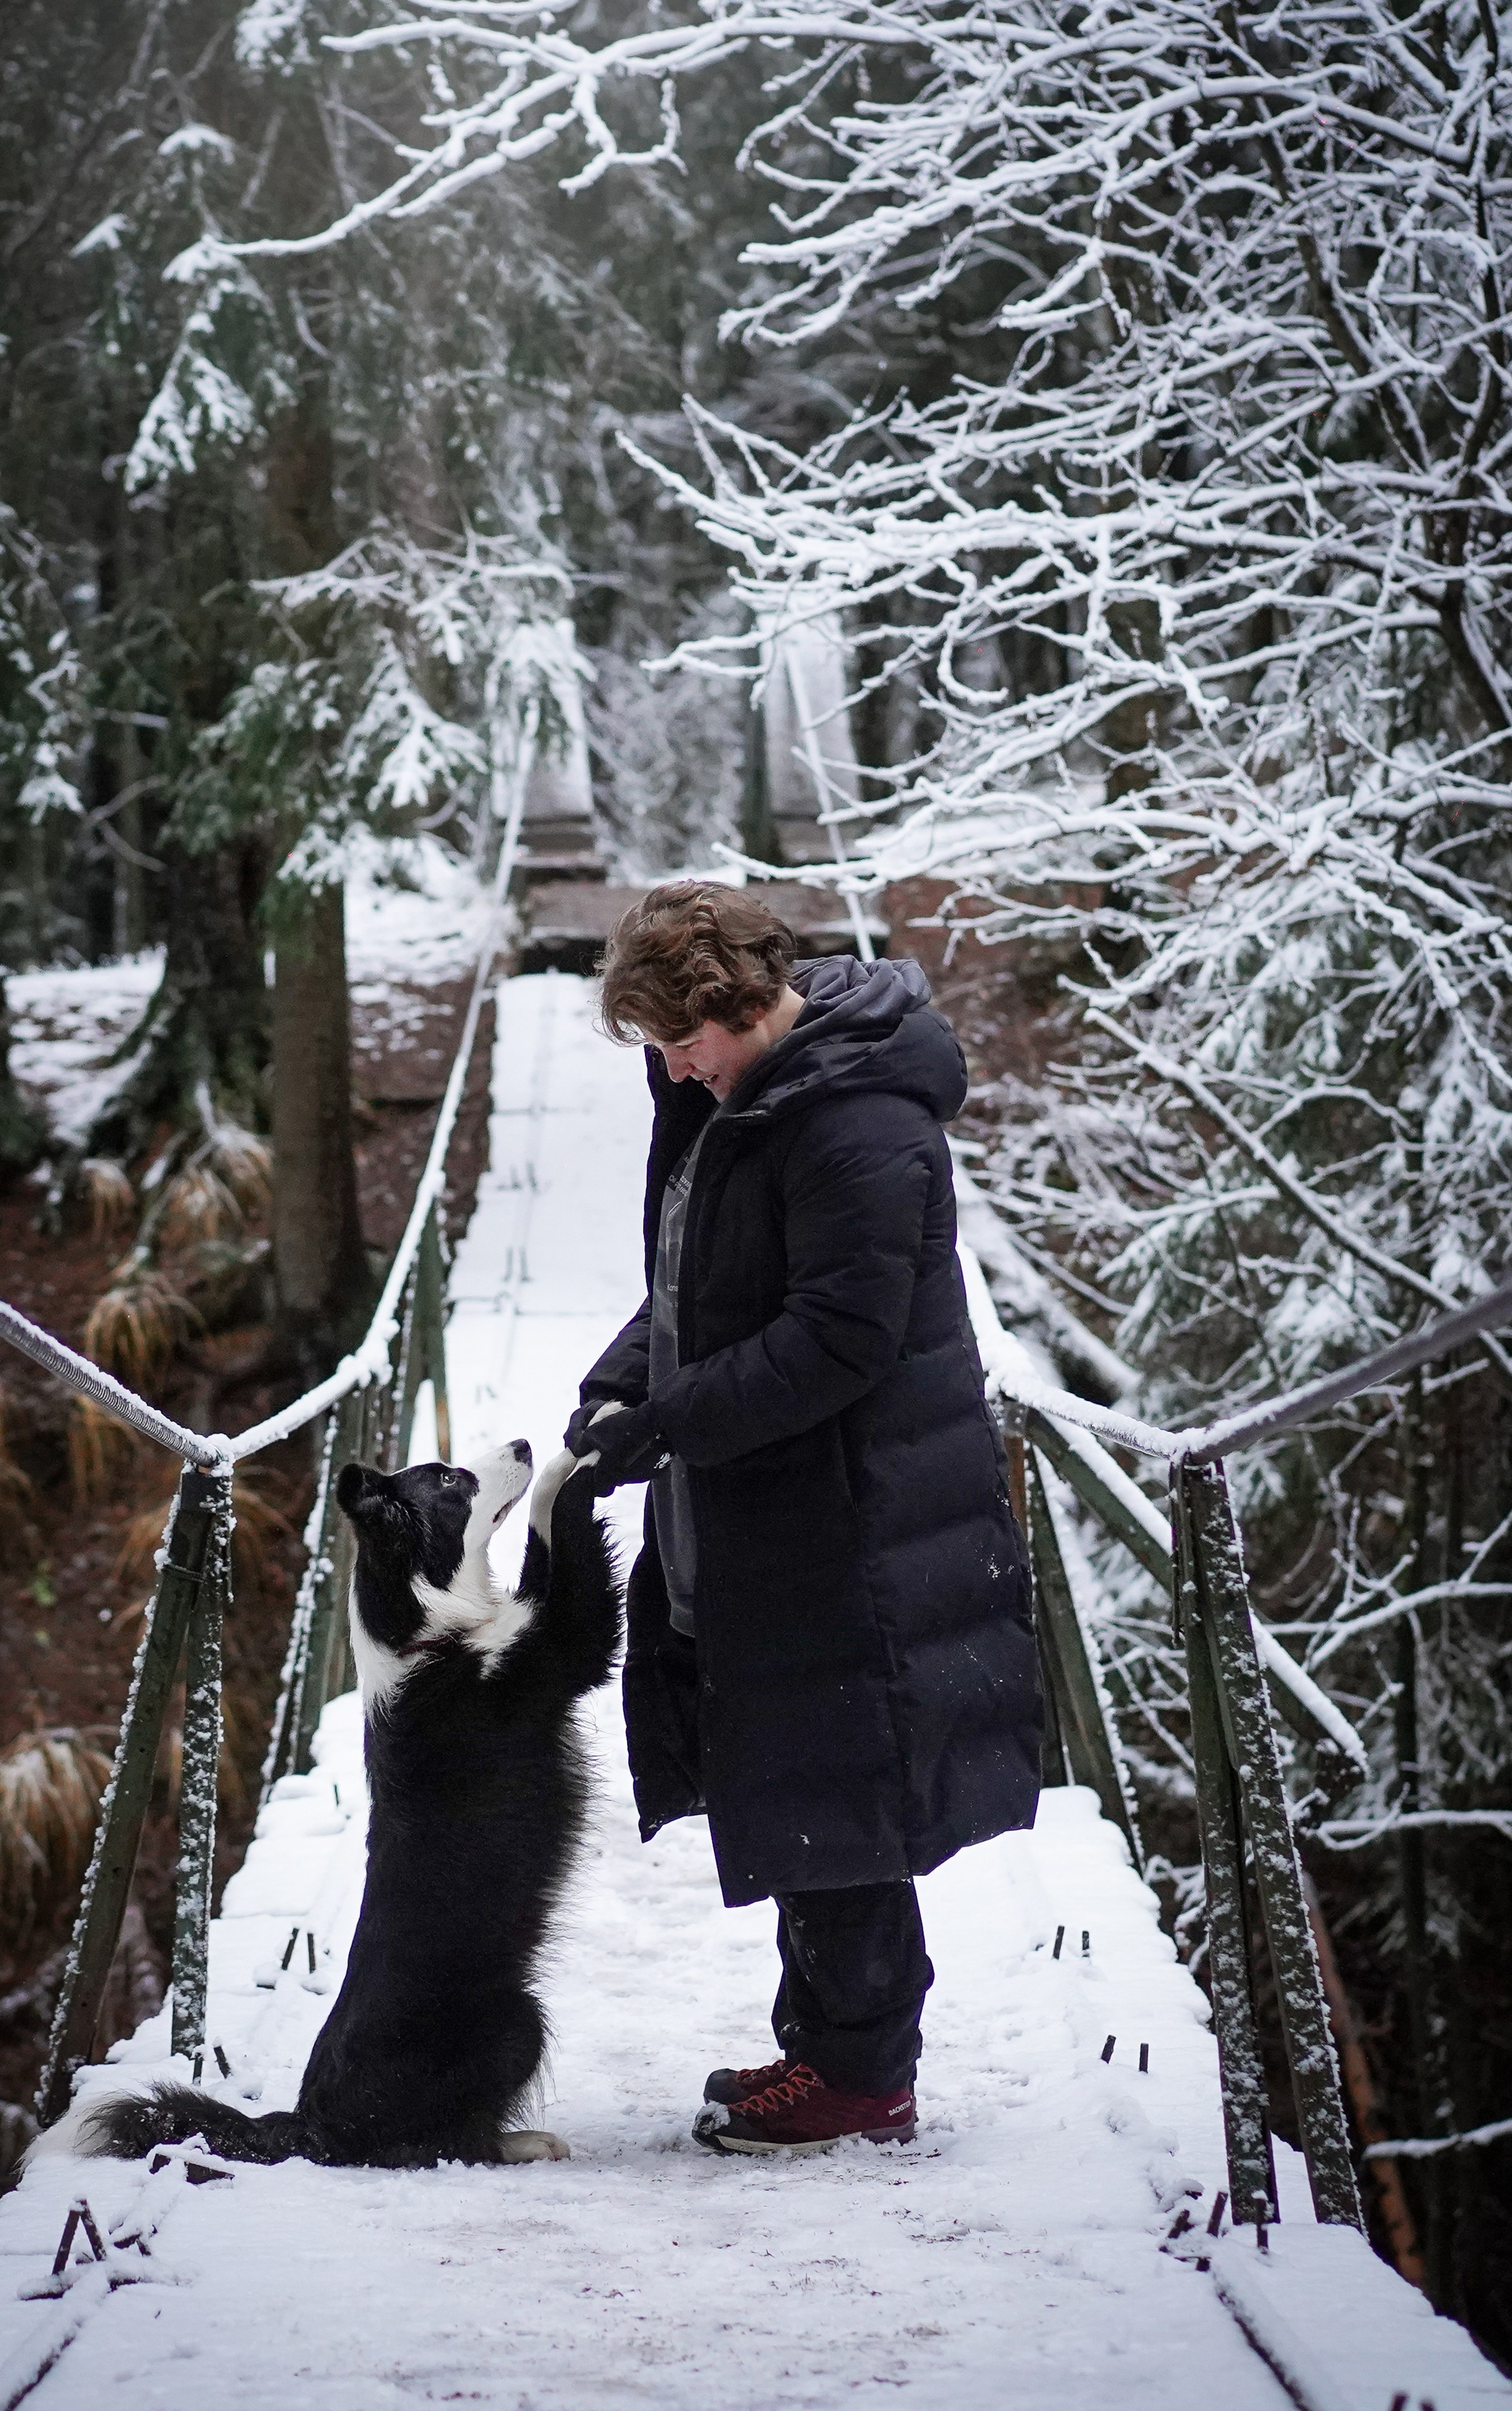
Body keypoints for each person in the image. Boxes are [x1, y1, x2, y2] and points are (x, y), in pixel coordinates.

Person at [570, 880, 1042, 2155]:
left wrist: (668, 1423)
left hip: (856, 1514)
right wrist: (625, 1382)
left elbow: (838, 1341)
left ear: (735, 1003)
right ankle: (820, 2044)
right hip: (780, 1499)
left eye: (680, 1038)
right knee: (794, 1771)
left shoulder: (856, 1125)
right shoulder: (739, 1095)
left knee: (842, 1781)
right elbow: (698, 1291)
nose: (670, 1066)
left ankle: (862, 2076)